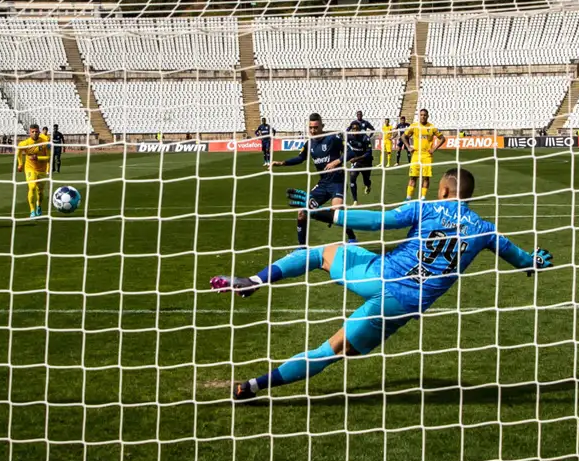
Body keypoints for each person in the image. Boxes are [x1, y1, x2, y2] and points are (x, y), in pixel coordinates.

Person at [211, 166, 552, 400]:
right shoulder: (485, 230)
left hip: (381, 274)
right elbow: (522, 260)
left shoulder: (428, 206)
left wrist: (330, 214)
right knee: (331, 351)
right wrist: (535, 261)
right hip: (403, 306)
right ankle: (252, 387)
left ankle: (255, 280)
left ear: (445, 188)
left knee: (323, 254)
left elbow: (380, 221)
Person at [279, 112, 351, 244]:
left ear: (322, 126)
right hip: (323, 184)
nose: (313, 130)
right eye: (310, 128)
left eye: (316, 127)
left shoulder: (332, 139)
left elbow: (350, 151)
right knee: (302, 212)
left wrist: (337, 161)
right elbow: (301, 158)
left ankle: (351, 237)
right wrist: (282, 163)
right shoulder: (309, 143)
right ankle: (302, 248)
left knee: (337, 213)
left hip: (337, 182)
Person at [15, 122, 52, 218]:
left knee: (40, 191)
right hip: (30, 168)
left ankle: (38, 206)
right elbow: (18, 151)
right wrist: (20, 164)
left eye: (36, 131)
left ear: (39, 132)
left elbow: (49, 158)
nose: (35, 133)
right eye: (33, 131)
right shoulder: (25, 143)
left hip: (42, 170)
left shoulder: (45, 141)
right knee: (31, 187)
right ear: (29, 132)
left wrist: (38, 158)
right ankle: (32, 210)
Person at [405, 108, 442, 200]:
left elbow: (442, 138)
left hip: (427, 156)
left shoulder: (432, 127)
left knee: (426, 177)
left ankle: (423, 198)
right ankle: (408, 198)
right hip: (416, 155)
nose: (423, 117)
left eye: (424, 115)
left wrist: (434, 148)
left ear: (427, 116)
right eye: (421, 115)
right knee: (413, 177)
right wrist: (408, 147)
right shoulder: (414, 126)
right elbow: (403, 136)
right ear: (419, 116)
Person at [345, 111, 376, 198]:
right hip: (357, 159)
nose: (359, 116)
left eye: (360, 115)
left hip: (366, 158)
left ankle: (368, 185)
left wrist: (369, 137)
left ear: (362, 115)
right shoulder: (353, 124)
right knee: (352, 177)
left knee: (366, 180)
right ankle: (355, 200)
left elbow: (373, 129)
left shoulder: (365, 124)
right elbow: (346, 131)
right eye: (357, 114)